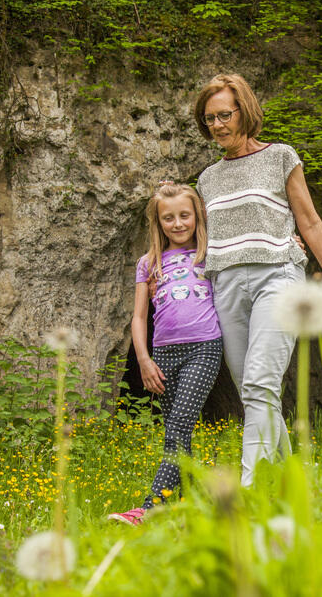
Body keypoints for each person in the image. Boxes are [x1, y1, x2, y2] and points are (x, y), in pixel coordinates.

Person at [194, 73, 322, 487]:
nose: (218, 125)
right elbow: (205, 240)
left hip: (277, 275)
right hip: (226, 285)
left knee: (260, 381)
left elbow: (309, 221)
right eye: (210, 119)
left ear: (245, 111)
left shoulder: (280, 156)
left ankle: (249, 488)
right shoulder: (207, 179)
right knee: (253, 391)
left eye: (225, 115)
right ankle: (292, 483)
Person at [109, 182, 222, 525]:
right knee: (178, 435)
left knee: (177, 428)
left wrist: (287, 244)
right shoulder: (149, 263)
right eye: (168, 218)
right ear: (158, 223)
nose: (177, 223)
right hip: (163, 354)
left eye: (184, 215)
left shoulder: (211, 253)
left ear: (197, 216)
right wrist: (143, 359)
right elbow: (139, 317)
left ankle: (148, 509)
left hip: (204, 348)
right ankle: (189, 508)